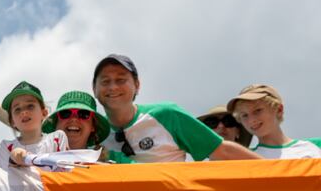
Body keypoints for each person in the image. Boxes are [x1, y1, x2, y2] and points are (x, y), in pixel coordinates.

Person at [92, 54, 260, 163]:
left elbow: (223, 151)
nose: (113, 87)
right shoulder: (93, 131)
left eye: (121, 80)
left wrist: (281, 174)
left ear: (137, 85)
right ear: (94, 89)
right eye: (105, 81)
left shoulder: (167, 115)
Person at [227, 84, 321, 159]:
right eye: (244, 115)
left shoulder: (310, 150)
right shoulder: (244, 159)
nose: (251, 120)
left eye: (258, 111)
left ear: (279, 110)